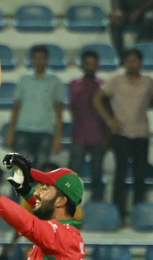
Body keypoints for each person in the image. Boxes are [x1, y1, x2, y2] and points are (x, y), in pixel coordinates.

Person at [94, 48, 153, 220]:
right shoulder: (115, 81)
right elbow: (97, 98)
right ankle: (119, 213)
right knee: (120, 175)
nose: (132, 63)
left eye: (135, 60)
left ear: (140, 62)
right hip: (121, 133)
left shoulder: (148, 82)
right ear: (124, 63)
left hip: (142, 133)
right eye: (129, 60)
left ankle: (139, 213)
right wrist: (110, 120)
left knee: (140, 176)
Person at [5, 45, 65, 168]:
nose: (39, 61)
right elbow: (16, 107)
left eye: (42, 58)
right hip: (23, 129)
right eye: (36, 58)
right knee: (20, 169)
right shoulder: (24, 79)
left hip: (45, 131)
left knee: (42, 169)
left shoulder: (55, 81)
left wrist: (58, 136)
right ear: (31, 59)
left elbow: (59, 111)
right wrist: (10, 132)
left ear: (47, 59)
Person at [68, 50, 109, 201]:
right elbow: (72, 109)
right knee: (73, 172)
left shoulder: (103, 86)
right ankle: (68, 203)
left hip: (98, 135)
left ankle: (98, 204)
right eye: (88, 64)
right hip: (79, 135)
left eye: (93, 64)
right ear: (82, 65)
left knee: (97, 172)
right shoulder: (74, 85)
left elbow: (108, 113)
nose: (90, 67)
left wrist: (107, 137)